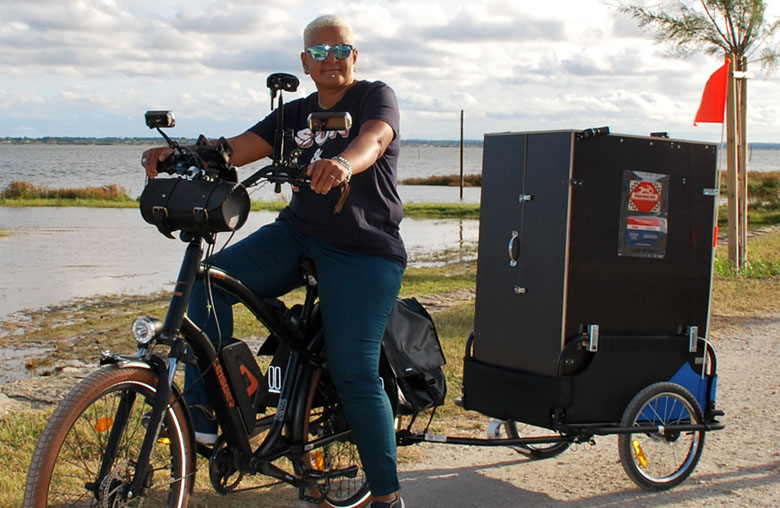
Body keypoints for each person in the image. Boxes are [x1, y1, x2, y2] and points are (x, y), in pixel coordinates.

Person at [141, 14, 406, 508]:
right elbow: (233, 150)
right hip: (297, 234)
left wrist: (342, 163)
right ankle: (204, 413)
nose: (331, 59)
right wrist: (181, 155)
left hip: (365, 248)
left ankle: (387, 497)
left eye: (340, 50)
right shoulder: (293, 114)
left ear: (355, 56)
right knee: (209, 283)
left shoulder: (374, 96)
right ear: (305, 62)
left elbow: (373, 140)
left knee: (353, 371)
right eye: (319, 52)